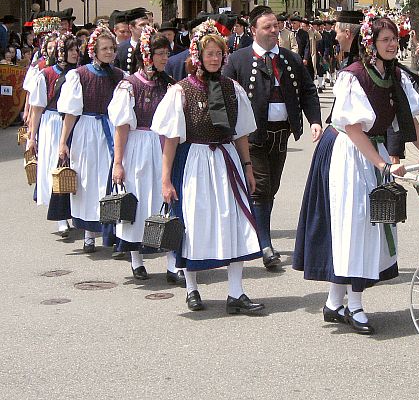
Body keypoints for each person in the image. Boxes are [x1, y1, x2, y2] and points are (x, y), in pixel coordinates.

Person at [293, 14, 419, 335]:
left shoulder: (394, 75)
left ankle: (335, 301)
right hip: (348, 153)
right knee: (355, 225)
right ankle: (353, 303)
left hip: (373, 152)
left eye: (394, 39)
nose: (391, 44)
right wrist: (382, 164)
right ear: (370, 42)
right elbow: (353, 128)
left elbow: (408, 117)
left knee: (368, 225)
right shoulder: (353, 76)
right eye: (385, 39)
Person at [151, 19, 264, 313]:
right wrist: (166, 180)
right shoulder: (181, 91)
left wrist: (248, 167)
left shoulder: (233, 89)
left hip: (226, 161)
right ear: (197, 57)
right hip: (195, 163)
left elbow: (241, 133)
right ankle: (192, 289)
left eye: (218, 53)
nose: (214, 58)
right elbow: (171, 139)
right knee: (194, 224)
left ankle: (236, 292)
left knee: (235, 222)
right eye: (208, 53)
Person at [223, 6, 322, 270]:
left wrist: (314, 120)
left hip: (281, 134)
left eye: (276, 26)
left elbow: (309, 91)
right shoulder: (238, 60)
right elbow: (224, 96)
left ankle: (260, 236)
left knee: (272, 187)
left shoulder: (289, 59)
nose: (274, 31)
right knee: (261, 187)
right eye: (267, 27)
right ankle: (265, 244)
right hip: (253, 136)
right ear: (254, 30)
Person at [108, 26, 182, 283]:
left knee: (167, 200)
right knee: (138, 202)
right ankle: (136, 257)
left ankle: (173, 261)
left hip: (163, 146)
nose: (164, 58)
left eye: (166, 53)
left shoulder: (170, 84)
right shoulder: (129, 86)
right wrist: (118, 163)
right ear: (147, 56)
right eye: (160, 53)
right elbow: (120, 127)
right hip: (138, 146)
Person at [57, 26, 125, 253]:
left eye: (112, 48)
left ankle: (113, 232)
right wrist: (63, 141)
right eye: (104, 48)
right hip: (87, 131)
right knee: (87, 181)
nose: (109, 52)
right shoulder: (79, 75)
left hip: (110, 130)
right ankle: (88, 234)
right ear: (93, 50)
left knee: (110, 181)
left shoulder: (119, 76)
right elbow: (70, 113)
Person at [27, 32, 80, 236]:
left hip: (74, 122)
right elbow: (37, 107)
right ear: (61, 52)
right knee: (55, 166)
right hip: (53, 123)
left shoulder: (79, 73)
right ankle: (60, 217)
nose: (76, 53)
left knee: (73, 168)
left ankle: (72, 211)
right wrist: (32, 137)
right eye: (72, 50)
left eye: (77, 49)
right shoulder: (47, 74)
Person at [114, 8, 149, 74]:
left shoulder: (153, 46)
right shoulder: (120, 49)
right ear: (131, 27)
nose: (146, 28)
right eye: (142, 25)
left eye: (148, 25)